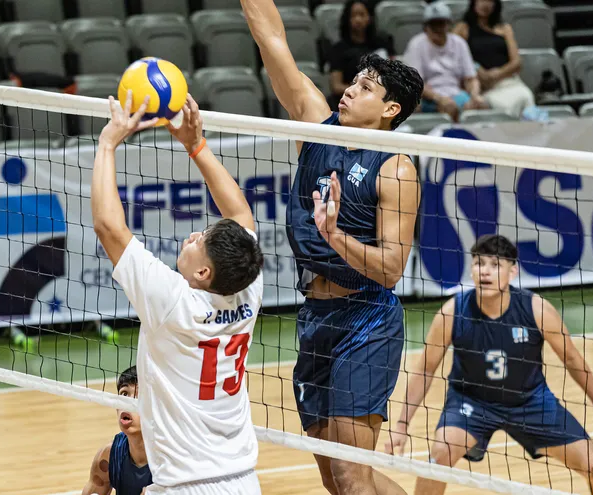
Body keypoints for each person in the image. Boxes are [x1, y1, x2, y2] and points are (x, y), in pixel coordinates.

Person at [240, 0, 423, 493]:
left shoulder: (396, 168)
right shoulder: (313, 127)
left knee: (350, 475)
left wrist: (334, 234)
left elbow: (391, 269)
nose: (350, 90)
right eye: (353, 82)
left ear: (390, 110)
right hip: (315, 317)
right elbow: (272, 41)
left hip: (366, 319)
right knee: (337, 481)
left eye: (366, 88)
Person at [93, 91, 265, 494]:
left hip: (185, 484)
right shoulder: (247, 285)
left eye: (199, 240)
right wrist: (196, 145)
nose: (192, 236)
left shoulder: (172, 301)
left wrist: (107, 144)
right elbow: (240, 215)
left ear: (203, 272)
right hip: (243, 479)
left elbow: (109, 227)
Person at [386, 234, 593, 494]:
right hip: (471, 403)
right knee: (438, 457)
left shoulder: (537, 309)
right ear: (471, 270)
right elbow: (425, 370)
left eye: (495, 265)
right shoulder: (451, 312)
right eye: (479, 263)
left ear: (513, 271)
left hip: (530, 401)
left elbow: (572, 359)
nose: (485, 271)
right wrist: (402, 426)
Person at [403, 1, 487, 121]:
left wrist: (475, 96)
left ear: (448, 25)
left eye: (441, 24)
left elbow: (471, 78)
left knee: (481, 106)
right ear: (426, 27)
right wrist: (439, 98)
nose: (438, 28)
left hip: (456, 93)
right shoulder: (417, 44)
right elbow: (416, 83)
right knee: (450, 107)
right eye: (433, 24)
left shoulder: (459, 43)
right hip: (429, 97)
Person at [453, 0, 535, 117]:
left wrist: (496, 74)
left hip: (506, 81)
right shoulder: (462, 28)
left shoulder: (505, 28)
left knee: (525, 95)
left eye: (490, 1)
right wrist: (476, 69)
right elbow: (453, 55)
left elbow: (517, 62)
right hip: (479, 85)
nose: (485, 4)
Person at [82, 366, 153, 495]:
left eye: (138, 396)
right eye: (124, 394)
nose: (127, 403)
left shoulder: (172, 459)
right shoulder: (109, 456)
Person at [328, 0, 394, 108]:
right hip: (352, 101)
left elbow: (393, 75)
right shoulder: (339, 49)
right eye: (353, 15)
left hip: (381, 99)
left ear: (370, 18)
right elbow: (336, 86)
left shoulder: (382, 44)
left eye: (362, 15)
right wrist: (363, 90)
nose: (358, 19)